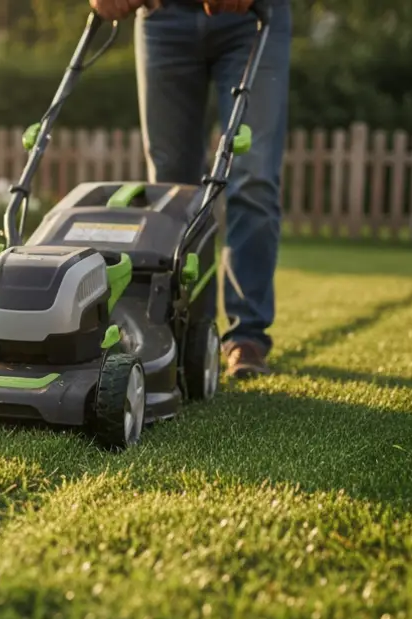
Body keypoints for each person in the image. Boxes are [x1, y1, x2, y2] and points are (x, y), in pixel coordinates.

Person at [89, 0, 290, 378]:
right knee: (170, 188)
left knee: (252, 173)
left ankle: (246, 336)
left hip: (252, 17)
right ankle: (186, 330)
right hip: (162, 17)